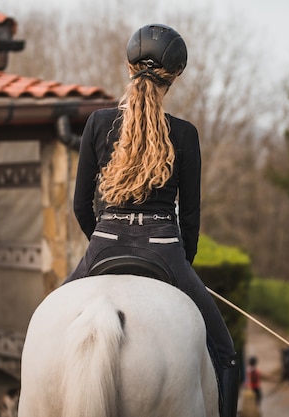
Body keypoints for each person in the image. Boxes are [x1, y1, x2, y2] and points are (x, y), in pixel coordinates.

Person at [63, 23, 239, 417]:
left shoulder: (97, 124)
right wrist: (182, 264)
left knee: (42, 331)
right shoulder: (186, 134)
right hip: (164, 250)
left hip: (103, 243)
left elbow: (80, 206)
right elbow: (190, 218)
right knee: (226, 354)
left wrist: (104, 239)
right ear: (174, 77)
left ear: (129, 68)